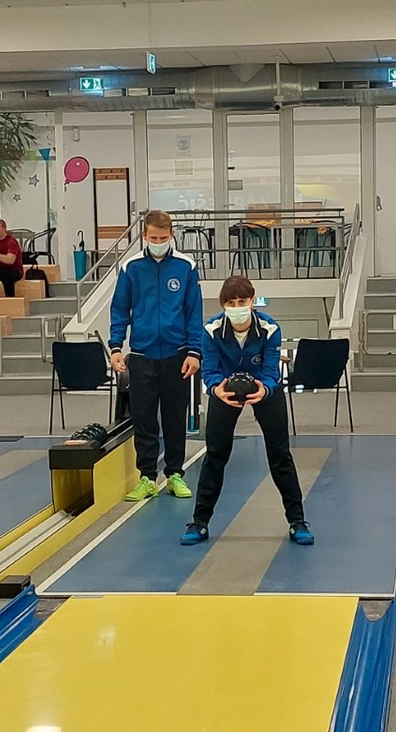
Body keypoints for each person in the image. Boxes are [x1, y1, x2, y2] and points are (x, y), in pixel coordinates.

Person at [180, 275, 314, 546]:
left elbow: (271, 370)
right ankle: (199, 522)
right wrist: (217, 389)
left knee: (280, 455)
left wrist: (264, 390)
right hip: (225, 391)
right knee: (215, 455)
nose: (237, 307)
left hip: (264, 390)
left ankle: (297, 521)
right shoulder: (211, 330)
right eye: (231, 302)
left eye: (242, 301)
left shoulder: (269, 328)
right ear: (223, 304)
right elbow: (210, 371)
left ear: (252, 301)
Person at [109, 209, 202, 501]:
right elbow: (119, 309)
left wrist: (195, 352)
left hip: (177, 355)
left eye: (163, 238)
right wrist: (115, 347)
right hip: (141, 355)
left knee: (175, 418)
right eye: (153, 238)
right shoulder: (130, 267)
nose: (159, 242)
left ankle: (174, 474)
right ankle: (147, 477)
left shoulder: (187, 266)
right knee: (144, 419)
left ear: (172, 234)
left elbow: (193, 313)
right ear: (144, 236)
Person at [0, 220, 23, 297]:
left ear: (4, 229)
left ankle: (10, 298)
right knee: (2, 273)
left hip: (14, 270)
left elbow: (10, 260)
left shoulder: (11, 241)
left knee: (6, 275)